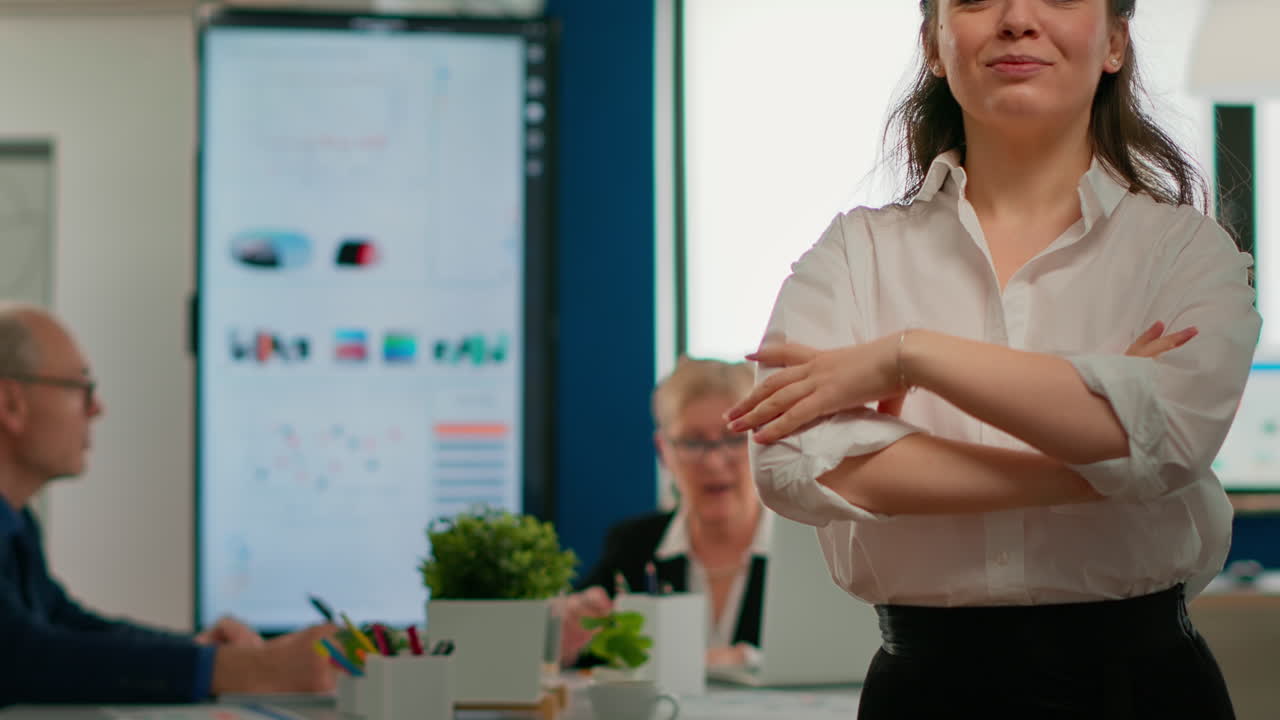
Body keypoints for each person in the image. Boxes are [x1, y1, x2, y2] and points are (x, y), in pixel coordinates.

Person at [725, 1, 1257, 718]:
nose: (1016, 19)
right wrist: (1101, 458)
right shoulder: (854, 256)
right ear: (935, 44)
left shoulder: (1187, 252)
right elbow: (791, 466)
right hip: (924, 691)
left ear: (1115, 42)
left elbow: (1170, 435)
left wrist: (908, 357)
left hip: (1143, 689)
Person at [0, 302, 336, 705]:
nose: (96, 409)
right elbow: (19, 656)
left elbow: (65, 624)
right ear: (11, 404)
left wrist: (207, 653)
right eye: (80, 387)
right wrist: (248, 668)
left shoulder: (17, 523)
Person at [559, 357, 770, 669]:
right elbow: (579, 657)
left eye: (735, 438)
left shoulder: (813, 553)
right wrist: (567, 631)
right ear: (663, 451)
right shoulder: (632, 546)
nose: (713, 463)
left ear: (764, 441)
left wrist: (750, 660)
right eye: (693, 442)